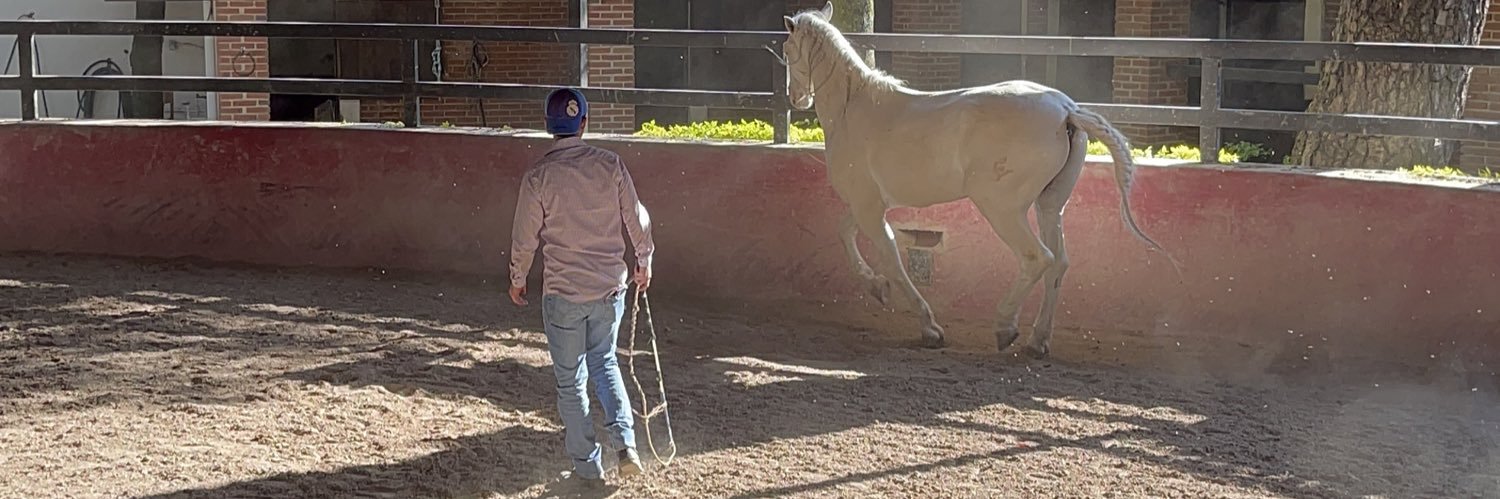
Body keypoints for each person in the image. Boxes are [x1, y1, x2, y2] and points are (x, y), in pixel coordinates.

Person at [508, 87, 655, 486]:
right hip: (609, 290)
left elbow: (525, 238)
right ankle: (625, 445)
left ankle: (588, 467)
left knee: (570, 382)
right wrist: (644, 260)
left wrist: (517, 278)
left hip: (562, 295)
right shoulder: (611, 165)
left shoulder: (538, 178)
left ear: (548, 127)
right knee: (605, 363)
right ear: (584, 124)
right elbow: (637, 219)